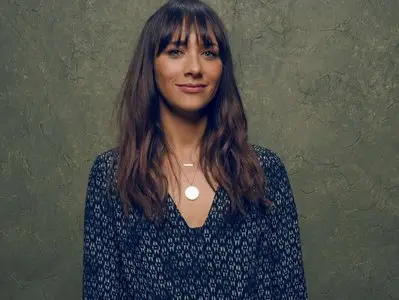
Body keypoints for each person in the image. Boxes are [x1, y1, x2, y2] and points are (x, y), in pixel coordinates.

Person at [82, 0, 308, 299]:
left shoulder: (263, 170)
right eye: (175, 51)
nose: (194, 68)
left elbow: (290, 291)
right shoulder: (112, 174)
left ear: (221, 68)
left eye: (208, 52)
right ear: (151, 65)